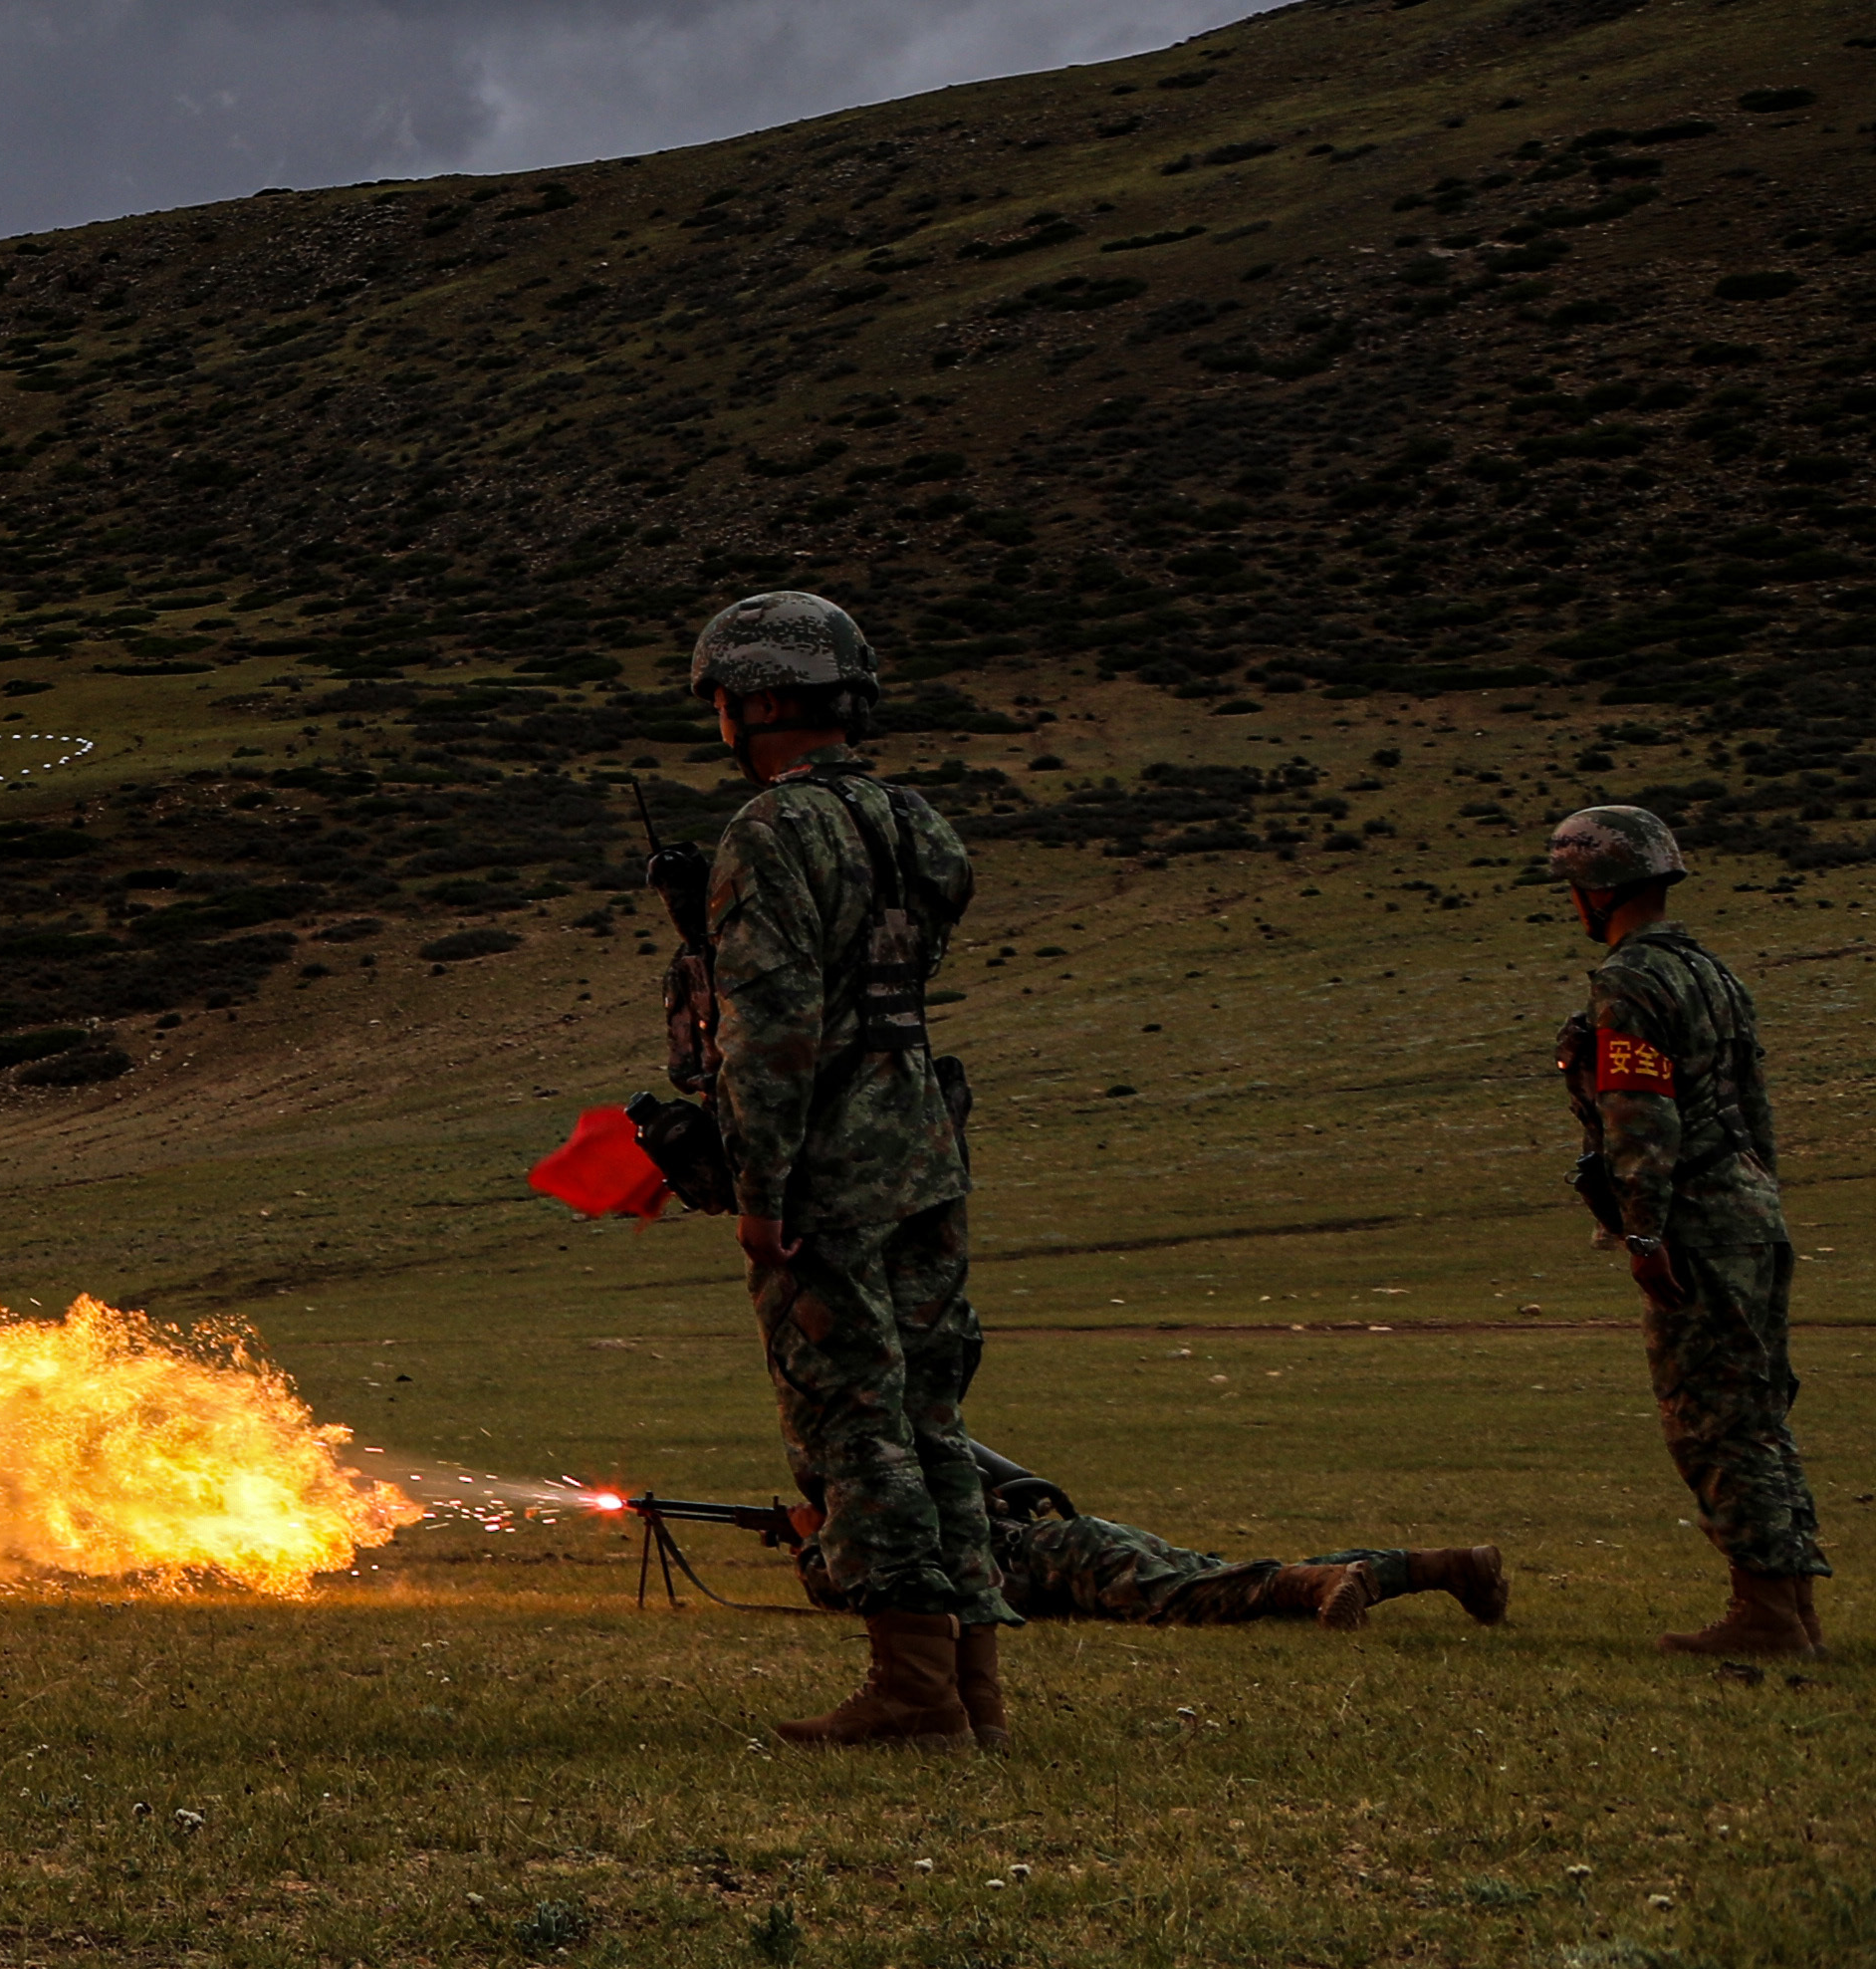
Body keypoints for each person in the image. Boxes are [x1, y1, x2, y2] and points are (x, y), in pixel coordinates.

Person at [686, 586, 1007, 1749]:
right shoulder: (914, 822)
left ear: (761, 698)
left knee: (852, 1416)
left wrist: (760, 1194)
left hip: (827, 1161)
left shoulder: (772, 832)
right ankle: (971, 1691)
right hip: (922, 1140)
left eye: (725, 697)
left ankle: (913, 1696)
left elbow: (771, 1029)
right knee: (932, 1417)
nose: (720, 718)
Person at [1546, 803, 1821, 1660]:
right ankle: (1791, 1606)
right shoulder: (1713, 975)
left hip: (1697, 1226)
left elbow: (1640, 1114)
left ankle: (1767, 1614)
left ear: (1594, 890)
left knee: (1709, 1416)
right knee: (1760, 1411)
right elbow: (1754, 1111)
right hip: (1752, 1217)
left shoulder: (1630, 983)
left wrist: (1643, 1230)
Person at [947, 1439, 1503, 1630]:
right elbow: (1024, 1486)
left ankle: (1327, 1581)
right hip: (1076, 1536)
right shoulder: (927, 1431)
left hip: (1046, 1551)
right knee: (1219, 1575)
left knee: (1180, 1598)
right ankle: (1439, 1566)